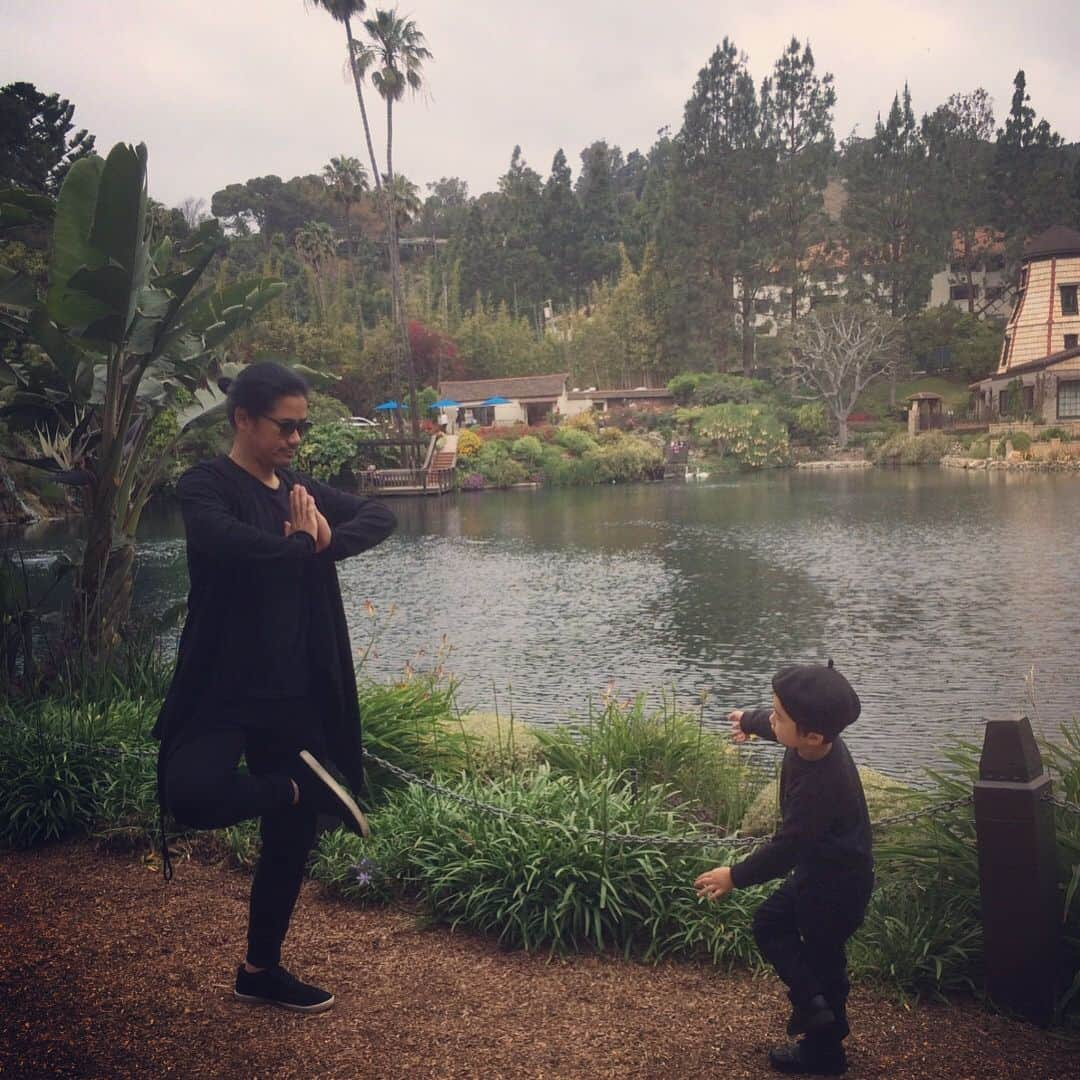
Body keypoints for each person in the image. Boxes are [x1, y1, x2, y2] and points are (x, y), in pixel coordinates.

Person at [153, 361, 397, 1015]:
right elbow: (220, 540)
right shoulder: (205, 484)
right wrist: (295, 545)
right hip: (221, 687)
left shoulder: (297, 488)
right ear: (242, 420)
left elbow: (380, 515)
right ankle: (296, 787)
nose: (296, 439)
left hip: (292, 691)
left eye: (302, 427)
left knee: (289, 842)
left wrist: (324, 541)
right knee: (192, 796)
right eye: (285, 426)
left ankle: (260, 970)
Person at [695, 661, 872, 1076]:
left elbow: (786, 849)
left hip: (837, 888)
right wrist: (752, 722)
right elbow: (782, 724)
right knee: (771, 924)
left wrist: (733, 876)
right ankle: (814, 1007)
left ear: (811, 735)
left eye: (777, 715)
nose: (772, 718)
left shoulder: (821, 786)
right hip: (820, 875)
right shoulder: (811, 741)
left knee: (824, 961)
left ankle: (825, 1051)